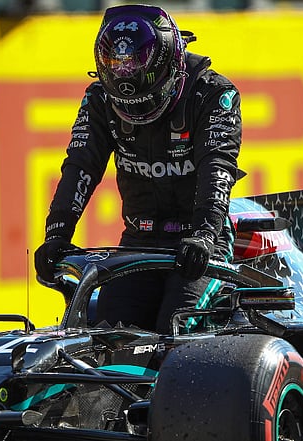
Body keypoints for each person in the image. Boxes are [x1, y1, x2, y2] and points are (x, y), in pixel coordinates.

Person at [33, 4, 242, 335]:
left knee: (179, 332)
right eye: (117, 64)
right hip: (137, 242)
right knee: (105, 340)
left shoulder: (212, 93)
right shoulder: (100, 99)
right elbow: (80, 167)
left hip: (201, 244)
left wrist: (203, 234)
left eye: (135, 63)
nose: (125, 71)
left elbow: (217, 166)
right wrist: (57, 234)